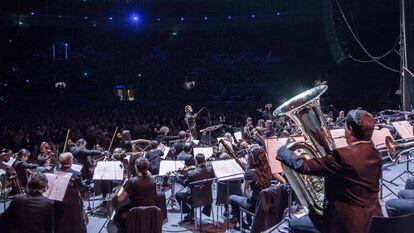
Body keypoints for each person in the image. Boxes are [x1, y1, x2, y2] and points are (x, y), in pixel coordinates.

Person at [276, 109, 382, 233]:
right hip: (374, 219)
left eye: (345, 128)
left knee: (293, 224)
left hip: (344, 223)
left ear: (350, 129)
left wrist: (282, 151)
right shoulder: (375, 153)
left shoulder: (342, 156)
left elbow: (303, 166)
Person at [229, 145, 273, 230]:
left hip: (255, 205)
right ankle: (249, 221)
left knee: (232, 198)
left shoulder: (249, 173)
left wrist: (247, 171)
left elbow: (245, 192)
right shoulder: (268, 168)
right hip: (267, 202)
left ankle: (242, 224)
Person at [114, 157, 157, 233]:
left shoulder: (132, 181)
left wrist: (124, 184)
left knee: (117, 217)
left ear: (136, 167)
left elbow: (120, 198)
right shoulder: (153, 179)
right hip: (151, 210)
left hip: (137, 212)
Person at [176, 153, 215, 222]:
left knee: (178, 195)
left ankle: (188, 212)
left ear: (196, 161)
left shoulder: (191, 173)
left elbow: (185, 184)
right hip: (208, 197)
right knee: (194, 191)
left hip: (195, 199)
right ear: (204, 160)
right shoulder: (211, 170)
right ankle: (192, 213)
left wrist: (179, 177)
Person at [54, 152, 86, 233]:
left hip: (58, 201)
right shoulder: (76, 173)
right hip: (73, 203)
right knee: (75, 223)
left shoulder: (55, 173)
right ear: (70, 161)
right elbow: (80, 187)